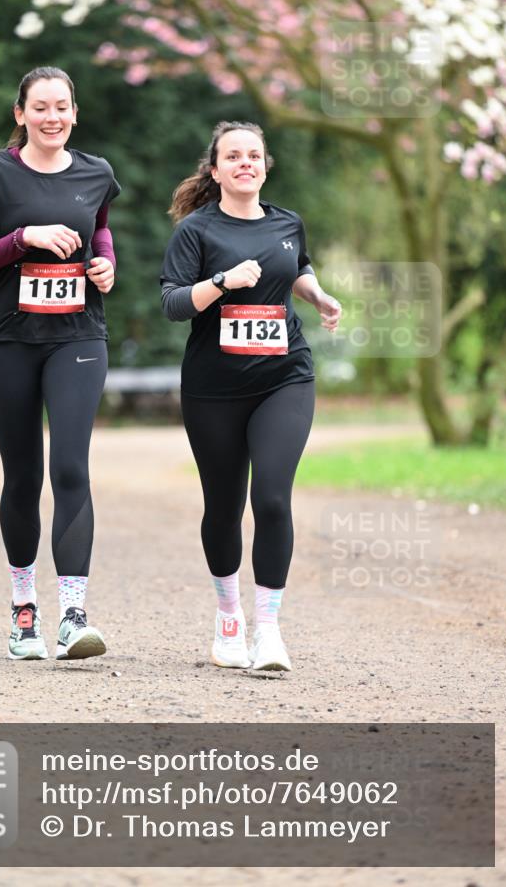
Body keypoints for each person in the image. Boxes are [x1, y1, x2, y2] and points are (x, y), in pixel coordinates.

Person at [0, 66, 120, 662]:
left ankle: (73, 616)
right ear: (20, 114)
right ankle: (24, 612)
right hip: (6, 342)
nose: (53, 117)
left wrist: (106, 263)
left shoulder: (96, 173)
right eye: (40, 107)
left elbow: (100, 229)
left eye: (62, 107)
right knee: (23, 477)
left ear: (75, 112)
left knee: (71, 468)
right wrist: (25, 237)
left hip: (78, 336)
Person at [161, 121, 341, 671]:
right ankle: (229, 619)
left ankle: (269, 630)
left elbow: (297, 266)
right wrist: (222, 283)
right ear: (215, 170)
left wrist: (317, 295)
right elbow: (172, 303)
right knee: (223, 507)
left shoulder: (287, 223)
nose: (246, 163)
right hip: (213, 389)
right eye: (234, 156)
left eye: (254, 155)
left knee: (272, 498)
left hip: (284, 377)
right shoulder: (196, 231)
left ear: (265, 166)